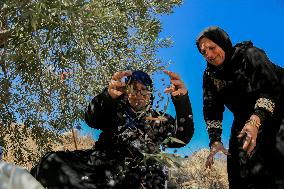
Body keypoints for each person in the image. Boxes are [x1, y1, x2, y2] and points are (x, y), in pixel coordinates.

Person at [31, 70, 194, 189]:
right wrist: (107, 97)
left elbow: (182, 136)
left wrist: (182, 102)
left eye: (143, 89)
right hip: (99, 165)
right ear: (125, 92)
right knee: (51, 161)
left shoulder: (161, 120)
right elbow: (91, 119)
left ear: (150, 94)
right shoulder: (114, 109)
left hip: (138, 174)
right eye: (133, 89)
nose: (138, 94)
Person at [196, 26, 284, 189]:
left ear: (223, 43)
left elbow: (271, 87)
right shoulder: (210, 76)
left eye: (212, 47)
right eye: (203, 52)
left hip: (277, 109)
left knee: (276, 161)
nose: (208, 54)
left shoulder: (250, 55)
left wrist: (256, 120)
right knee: (237, 167)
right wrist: (215, 140)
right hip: (243, 117)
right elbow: (211, 108)